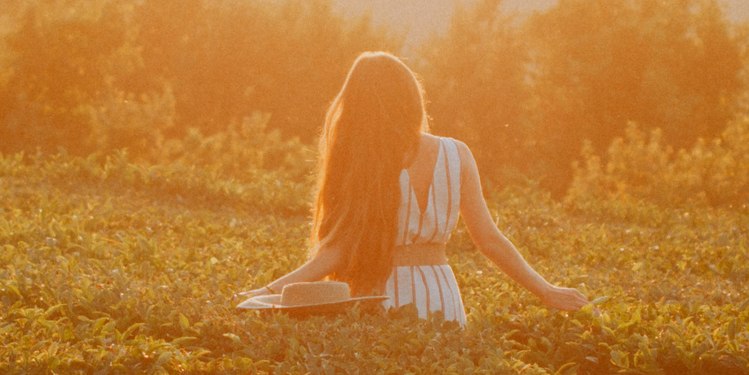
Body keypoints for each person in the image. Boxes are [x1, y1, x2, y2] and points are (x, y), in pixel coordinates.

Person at [249, 51, 588, 323]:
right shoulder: (457, 154)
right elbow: (490, 241)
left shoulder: (364, 163)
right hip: (442, 296)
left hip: (379, 298)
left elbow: (336, 252)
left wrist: (268, 293)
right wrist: (546, 290)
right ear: (410, 97)